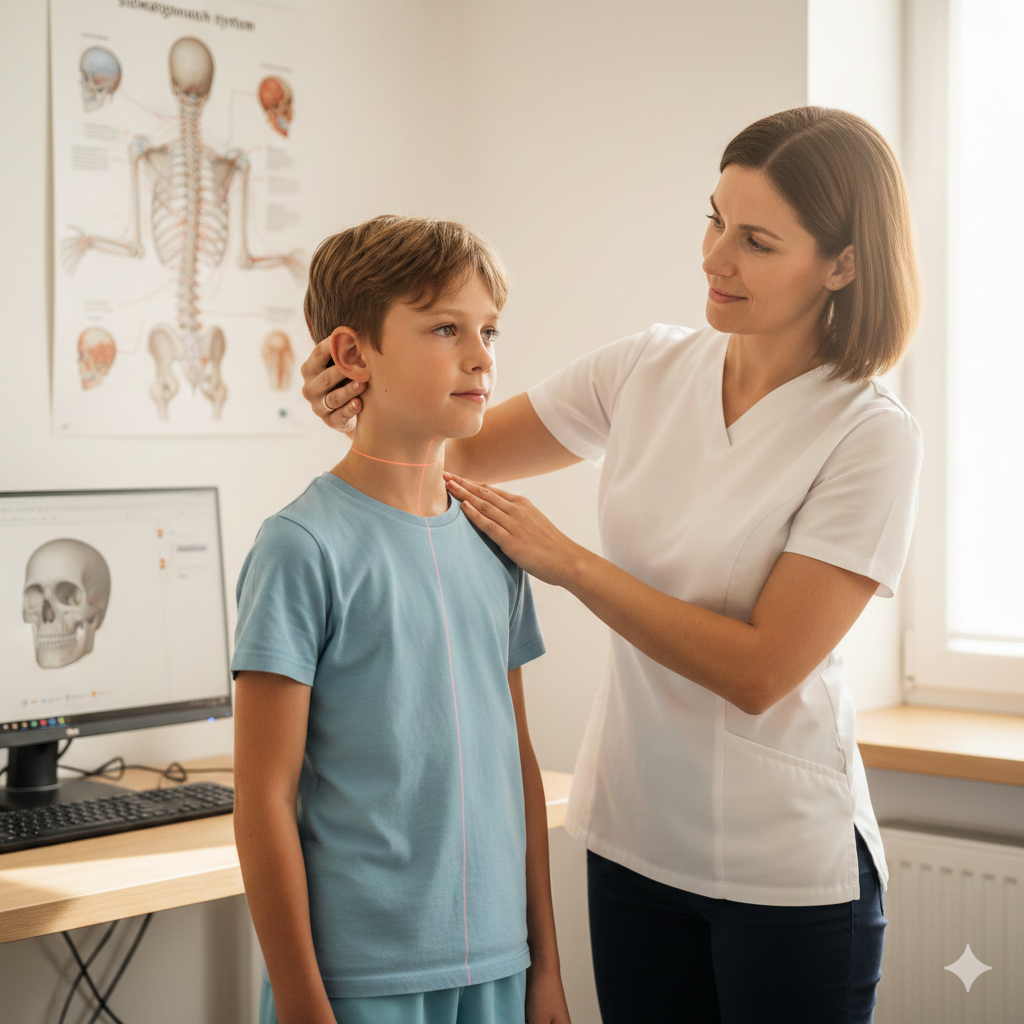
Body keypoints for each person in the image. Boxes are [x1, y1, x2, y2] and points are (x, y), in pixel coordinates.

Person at [303, 108, 923, 1023]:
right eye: (713, 219)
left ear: (844, 263)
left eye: (756, 241)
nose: (715, 258)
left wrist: (567, 564)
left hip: (783, 872)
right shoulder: (648, 367)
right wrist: (353, 396)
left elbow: (760, 671)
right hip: (631, 840)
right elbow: (458, 448)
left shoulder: (869, 434)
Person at [233, 215, 572, 1024]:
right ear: (352, 354)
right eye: (446, 328)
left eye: (489, 329)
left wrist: (546, 967)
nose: (483, 355)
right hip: (358, 979)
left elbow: (516, 766)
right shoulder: (301, 547)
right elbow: (264, 801)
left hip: (497, 965)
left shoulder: (495, 541)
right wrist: (306, 1007)